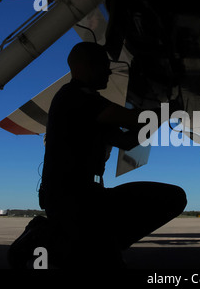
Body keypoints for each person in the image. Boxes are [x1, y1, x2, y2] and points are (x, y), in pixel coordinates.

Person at [10, 42, 187, 269]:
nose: (109, 71)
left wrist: (157, 117)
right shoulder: (76, 96)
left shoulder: (87, 106)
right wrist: (168, 110)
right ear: (85, 66)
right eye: (104, 65)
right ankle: (54, 240)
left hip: (87, 197)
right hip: (72, 201)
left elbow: (129, 140)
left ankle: (96, 243)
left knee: (173, 198)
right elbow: (134, 120)